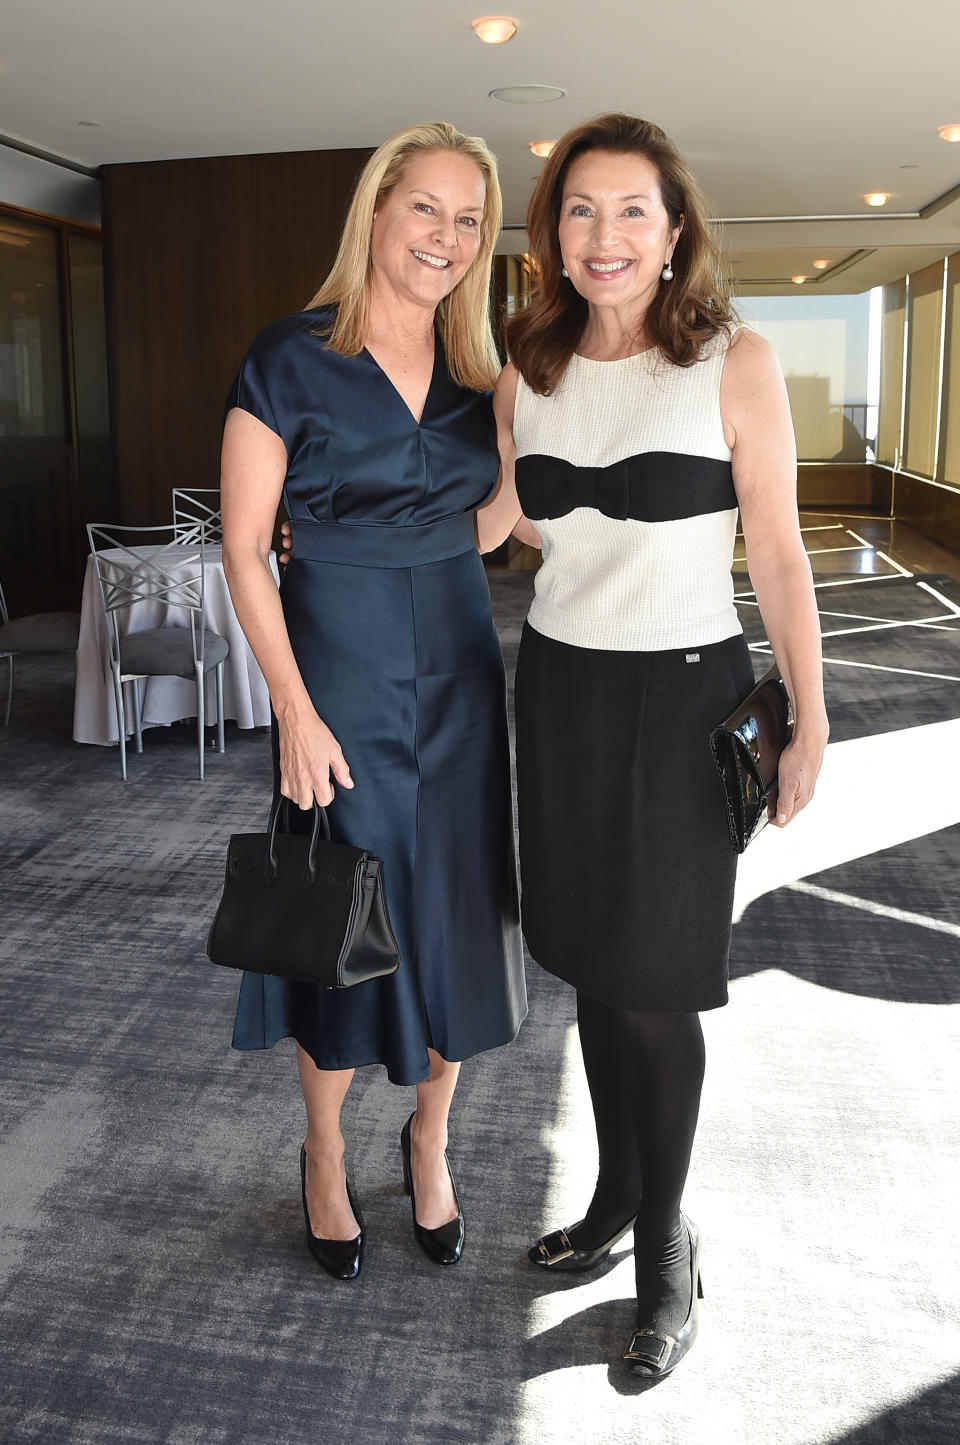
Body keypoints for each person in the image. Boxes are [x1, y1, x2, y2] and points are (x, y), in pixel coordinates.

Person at [476, 113, 829, 1377]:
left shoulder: (734, 359)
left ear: (674, 231)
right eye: (581, 210)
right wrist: (334, 524)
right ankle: (618, 1194)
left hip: (688, 702)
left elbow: (779, 550)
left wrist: (811, 709)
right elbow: (495, 525)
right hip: (561, 690)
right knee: (585, 958)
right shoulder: (531, 369)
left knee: (657, 976)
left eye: (632, 210)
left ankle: (669, 1241)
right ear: (552, 234)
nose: (606, 235)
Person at [220, 122, 526, 1281]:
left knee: (453, 917)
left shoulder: (477, 374)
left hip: (457, 672)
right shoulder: (289, 356)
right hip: (336, 679)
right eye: (425, 210)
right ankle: (321, 1149)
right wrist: (293, 710)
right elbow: (248, 549)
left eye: (467, 221)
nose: (444, 238)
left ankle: (431, 1141)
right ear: (377, 212)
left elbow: (489, 528)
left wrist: (512, 457)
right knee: (337, 921)